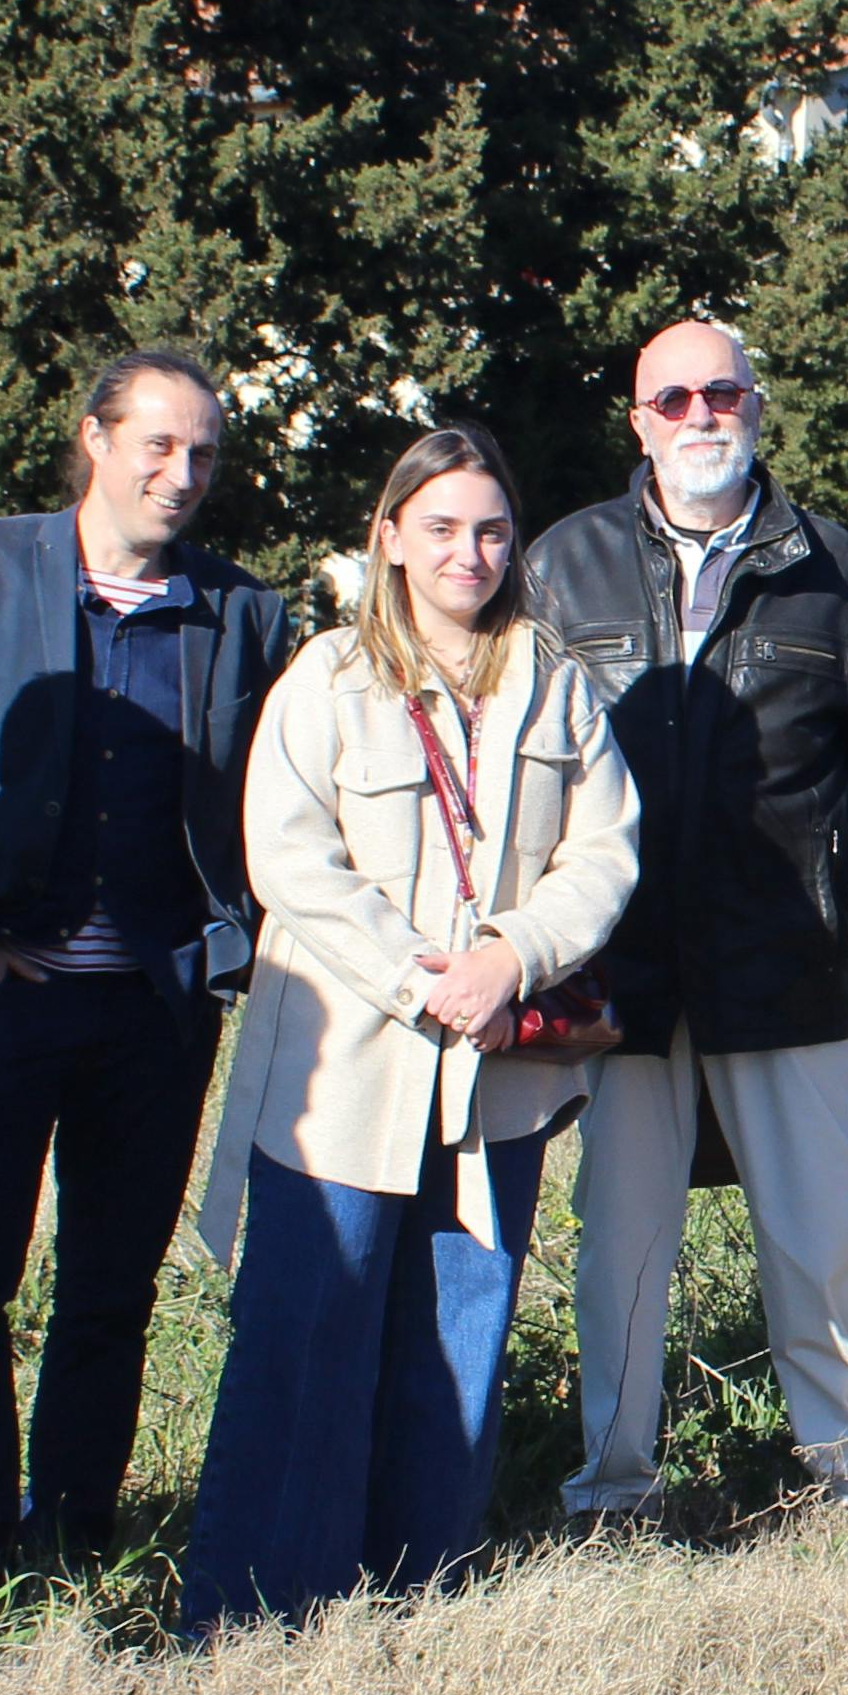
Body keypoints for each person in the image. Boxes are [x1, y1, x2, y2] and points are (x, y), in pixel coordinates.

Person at [182, 422, 638, 1623]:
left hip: (494, 1083)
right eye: (438, 527)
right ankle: (258, 1612)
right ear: (388, 539)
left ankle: (412, 1597)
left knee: (457, 1336)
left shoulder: (555, 681)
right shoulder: (328, 680)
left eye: (489, 529)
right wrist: (420, 979)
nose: (467, 553)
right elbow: (291, 860)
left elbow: (604, 854)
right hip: (345, 1081)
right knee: (306, 1338)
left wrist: (511, 957)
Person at [0, 349, 297, 1600]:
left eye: (203, 454)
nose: (181, 474)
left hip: (152, 1014)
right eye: (159, 445)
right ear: (94, 441)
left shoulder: (240, 614)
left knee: (110, 1291)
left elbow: (280, 800)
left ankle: (70, 1539)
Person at [521, 320, 848, 1535]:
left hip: (784, 969)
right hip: (619, 974)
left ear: (758, 406)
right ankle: (612, 1491)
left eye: (725, 392)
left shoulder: (833, 567)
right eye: (674, 396)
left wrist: (805, 895)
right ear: (637, 420)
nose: (703, 414)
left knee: (816, 1238)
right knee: (620, 1253)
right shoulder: (564, 565)